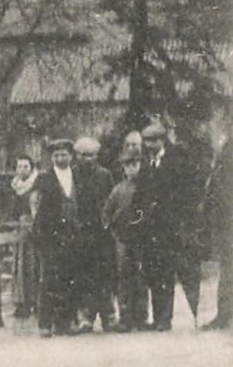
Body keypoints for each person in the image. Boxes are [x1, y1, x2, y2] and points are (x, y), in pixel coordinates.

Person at [135, 121, 204, 330]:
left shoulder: (177, 161)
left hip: (172, 227)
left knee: (171, 272)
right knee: (155, 273)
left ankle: (172, 317)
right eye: (146, 140)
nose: (149, 145)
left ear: (163, 140)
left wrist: (181, 218)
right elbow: (140, 194)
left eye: (153, 140)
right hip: (151, 229)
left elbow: (188, 192)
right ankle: (159, 318)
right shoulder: (147, 163)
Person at [33, 139, 85, 336]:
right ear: (51, 157)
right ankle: (45, 324)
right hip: (52, 236)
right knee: (49, 279)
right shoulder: (44, 178)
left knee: (71, 278)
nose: (60, 158)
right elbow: (37, 206)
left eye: (64, 154)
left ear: (70, 156)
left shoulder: (77, 175)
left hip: (73, 234)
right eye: (56, 155)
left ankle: (67, 321)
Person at [73, 136, 115, 331]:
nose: (87, 159)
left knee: (104, 274)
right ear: (77, 156)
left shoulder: (105, 175)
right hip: (81, 231)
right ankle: (86, 316)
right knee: (84, 275)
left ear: (96, 156)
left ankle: (108, 315)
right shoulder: (72, 175)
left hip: (101, 233)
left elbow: (111, 201)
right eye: (83, 155)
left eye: (90, 155)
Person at [103, 152, 148, 332]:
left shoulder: (145, 188)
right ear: (123, 168)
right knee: (124, 277)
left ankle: (142, 316)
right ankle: (125, 317)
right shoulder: (118, 189)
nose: (131, 169)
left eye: (134, 164)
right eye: (127, 166)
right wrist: (109, 226)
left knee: (141, 276)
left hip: (141, 238)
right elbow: (107, 211)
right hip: (122, 239)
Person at [201, 137, 232, 331]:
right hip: (226, 220)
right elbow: (217, 185)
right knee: (228, 268)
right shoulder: (228, 146)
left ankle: (224, 315)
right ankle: (224, 314)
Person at [9, 154, 40, 321]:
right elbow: (13, 211)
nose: (22, 170)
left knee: (33, 265)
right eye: (19, 167)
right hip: (20, 230)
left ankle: (36, 300)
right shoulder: (15, 187)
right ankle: (22, 302)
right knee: (20, 266)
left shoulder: (36, 185)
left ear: (31, 168)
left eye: (26, 167)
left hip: (34, 229)